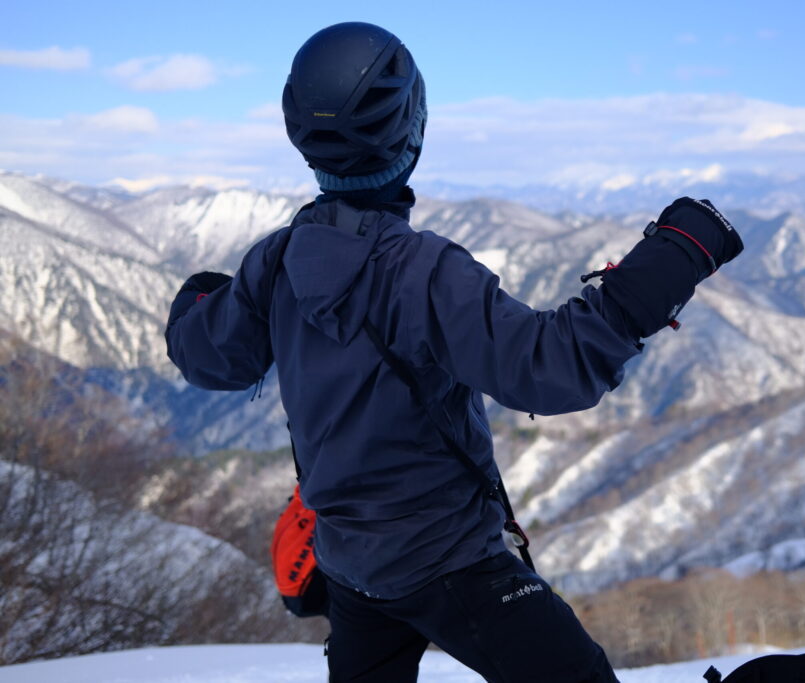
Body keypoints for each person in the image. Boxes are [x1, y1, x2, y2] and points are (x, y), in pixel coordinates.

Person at [165, 21, 742, 683]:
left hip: (350, 567)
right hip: (450, 563)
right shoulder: (422, 271)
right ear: (413, 132)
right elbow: (551, 367)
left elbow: (208, 356)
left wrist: (197, 297)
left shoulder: (273, 263)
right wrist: (682, 249)